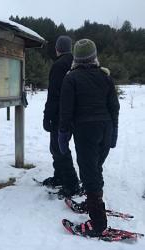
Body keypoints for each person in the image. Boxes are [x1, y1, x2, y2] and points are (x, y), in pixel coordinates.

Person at [59, 39, 120, 237]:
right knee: (95, 168)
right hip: (105, 128)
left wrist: (63, 135)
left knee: (89, 173)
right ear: (94, 56)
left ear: (76, 58)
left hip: (86, 131)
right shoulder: (105, 77)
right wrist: (114, 131)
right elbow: (114, 107)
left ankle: (98, 223)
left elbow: (66, 111)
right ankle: (92, 201)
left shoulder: (71, 78)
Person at [42, 35, 81, 196]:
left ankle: (71, 183)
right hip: (76, 113)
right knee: (57, 146)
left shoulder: (59, 65)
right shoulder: (77, 62)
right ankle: (60, 176)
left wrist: (47, 115)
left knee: (59, 147)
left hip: (60, 114)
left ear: (58, 48)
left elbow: (54, 94)